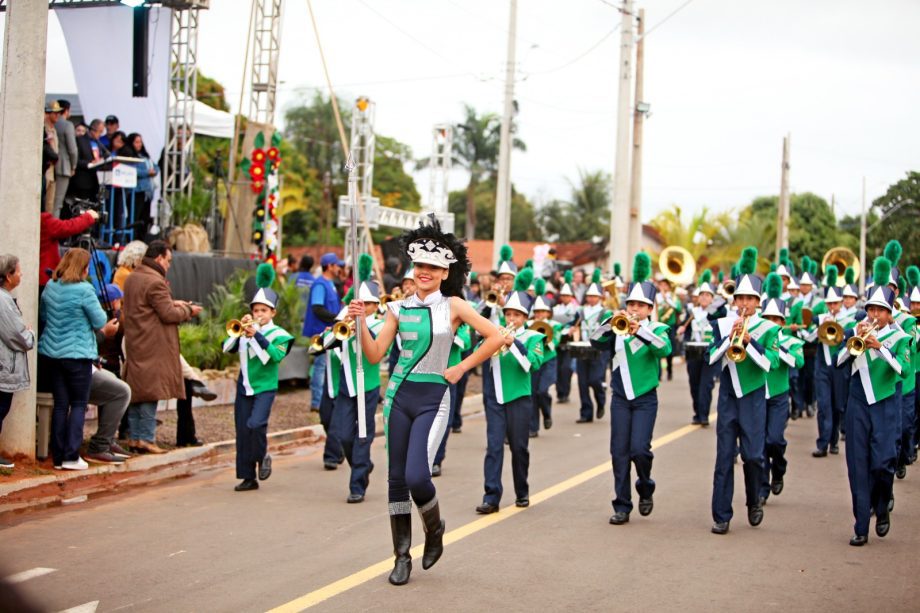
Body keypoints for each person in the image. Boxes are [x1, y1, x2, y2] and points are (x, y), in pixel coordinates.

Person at [347, 215, 503, 586]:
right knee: (396, 481)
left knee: (418, 475)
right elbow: (374, 355)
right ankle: (401, 556)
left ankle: (435, 529)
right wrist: (357, 325)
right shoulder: (396, 309)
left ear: (446, 271)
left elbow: (496, 337)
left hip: (434, 398)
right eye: (419, 265)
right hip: (399, 397)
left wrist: (461, 367)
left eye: (432, 266)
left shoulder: (454, 307)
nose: (424, 272)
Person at [591, 253, 671, 525]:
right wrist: (610, 321)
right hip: (621, 398)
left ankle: (645, 485)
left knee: (640, 450)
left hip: (646, 398)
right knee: (619, 452)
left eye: (641, 305)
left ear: (649, 308)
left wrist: (639, 331)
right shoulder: (616, 327)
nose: (634, 308)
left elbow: (665, 349)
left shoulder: (658, 329)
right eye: (631, 303)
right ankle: (622, 505)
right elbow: (594, 340)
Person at [836, 256, 910, 546]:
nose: (875, 315)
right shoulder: (857, 332)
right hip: (858, 402)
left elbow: (903, 370)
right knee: (857, 463)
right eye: (871, 310)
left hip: (885, 403)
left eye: (881, 310)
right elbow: (841, 361)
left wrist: (879, 348)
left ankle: (882, 508)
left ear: (890, 314)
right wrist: (857, 347)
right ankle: (860, 526)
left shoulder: (900, 337)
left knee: (883, 463)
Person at [708, 247, 780, 535]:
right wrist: (729, 337)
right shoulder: (722, 324)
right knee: (724, 456)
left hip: (752, 397)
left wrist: (749, 341)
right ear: (734, 300)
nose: (745, 304)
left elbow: (770, 364)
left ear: (758, 302)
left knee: (752, 456)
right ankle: (721, 514)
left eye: (750, 299)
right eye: (741, 298)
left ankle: (753, 500)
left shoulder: (769, 329)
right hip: (727, 397)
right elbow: (711, 358)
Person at [122, 241, 202, 454]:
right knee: (150, 391)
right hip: (153, 344)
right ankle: (147, 439)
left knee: (137, 390)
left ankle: (135, 438)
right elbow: (168, 315)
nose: (169, 265)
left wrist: (173, 302)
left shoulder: (133, 277)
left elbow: (149, 307)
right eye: (168, 260)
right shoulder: (155, 282)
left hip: (136, 341)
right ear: (159, 259)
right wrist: (188, 311)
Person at [476, 268, 544, 514]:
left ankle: (522, 490)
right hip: (494, 397)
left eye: (517, 314)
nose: (512, 318)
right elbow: (478, 349)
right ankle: (491, 496)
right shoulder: (495, 332)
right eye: (509, 314)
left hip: (519, 398)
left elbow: (531, 366)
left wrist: (513, 343)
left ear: (525, 316)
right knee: (493, 447)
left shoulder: (534, 337)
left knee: (519, 447)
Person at [39, 249, 113, 470]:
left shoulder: (51, 287)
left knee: (61, 405)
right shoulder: (84, 290)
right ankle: (72, 456)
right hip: (78, 355)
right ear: (83, 267)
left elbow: (43, 315)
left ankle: (59, 458)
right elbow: (100, 319)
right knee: (79, 404)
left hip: (53, 354)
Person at [222, 264, 293, 491]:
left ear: (273, 313)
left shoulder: (280, 335)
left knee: (256, 424)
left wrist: (257, 336)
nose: (259, 315)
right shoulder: (247, 329)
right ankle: (247, 477)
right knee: (243, 431)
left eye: (264, 310)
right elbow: (227, 348)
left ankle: (262, 457)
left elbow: (272, 357)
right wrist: (241, 332)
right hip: (244, 387)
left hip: (265, 387)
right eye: (256, 310)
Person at [330, 255, 383, 502]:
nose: (363, 307)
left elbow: (375, 349)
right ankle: (362, 465)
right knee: (342, 435)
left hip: (367, 386)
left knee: (363, 435)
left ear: (374, 306)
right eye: (359, 303)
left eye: (368, 304)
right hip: (346, 385)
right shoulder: (345, 319)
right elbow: (328, 343)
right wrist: (344, 323)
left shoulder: (381, 324)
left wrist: (360, 322)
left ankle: (357, 485)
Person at [758, 273, 804, 504]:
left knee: (774, 440)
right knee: (760, 443)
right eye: (768, 319)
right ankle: (762, 488)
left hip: (778, 396)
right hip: (758, 394)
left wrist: (777, 349)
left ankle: (779, 468)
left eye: (777, 320)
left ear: (783, 323)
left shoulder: (792, 341)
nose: (772, 324)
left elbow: (799, 362)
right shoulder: (758, 338)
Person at [803, 269, 853, 457]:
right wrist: (820, 328)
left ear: (840, 303)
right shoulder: (821, 318)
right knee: (824, 405)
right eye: (829, 303)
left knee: (838, 404)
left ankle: (833, 441)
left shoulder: (848, 319)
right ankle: (822, 443)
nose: (833, 306)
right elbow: (807, 339)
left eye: (835, 303)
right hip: (822, 366)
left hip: (840, 366)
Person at [83, 283, 132, 464]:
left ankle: (108, 439)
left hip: (98, 365)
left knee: (113, 395)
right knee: (121, 392)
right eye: (119, 300)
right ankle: (102, 442)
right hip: (103, 365)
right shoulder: (111, 320)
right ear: (114, 302)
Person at [0, 255, 35, 469]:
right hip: (4, 365)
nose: (21, 275)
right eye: (18, 271)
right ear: (8, 276)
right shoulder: (3, 300)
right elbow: (16, 335)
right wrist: (29, 335)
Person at [677, 271, 722, 426]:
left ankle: (704, 415)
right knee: (694, 383)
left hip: (710, 352)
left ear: (712, 298)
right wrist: (682, 330)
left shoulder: (717, 312)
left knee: (706, 384)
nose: (704, 297)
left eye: (708, 295)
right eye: (701, 295)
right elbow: (684, 328)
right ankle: (697, 412)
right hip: (693, 351)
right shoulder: (692, 312)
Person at [303, 252, 344, 413]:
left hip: (330, 331)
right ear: (329, 266)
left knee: (325, 366)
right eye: (336, 265)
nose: (338, 268)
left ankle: (323, 400)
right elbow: (317, 308)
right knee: (320, 367)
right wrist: (336, 318)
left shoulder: (330, 283)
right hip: (320, 332)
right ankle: (317, 402)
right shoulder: (320, 284)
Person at [575, 270, 611, 423]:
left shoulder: (605, 312)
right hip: (583, 348)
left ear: (600, 297)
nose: (591, 299)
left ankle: (600, 400)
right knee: (582, 382)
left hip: (599, 349)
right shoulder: (581, 311)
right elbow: (574, 326)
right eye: (589, 296)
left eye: (594, 296)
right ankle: (586, 412)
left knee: (595, 380)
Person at [528, 279, 559, 437]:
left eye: (542, 312)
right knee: (532, 394)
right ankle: (533, 427)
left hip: (548, 362)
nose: (539, 315)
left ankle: (546, 413)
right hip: (535, 362)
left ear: (548, 313)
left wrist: (547, 337)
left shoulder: (554, 325)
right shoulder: (529, 325)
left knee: (541, 391)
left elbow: (556, 342)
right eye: (537, 312)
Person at [120, 133, 157, 240]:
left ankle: (141, 239)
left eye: (140, 142)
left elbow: (155, 167)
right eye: (136, 142)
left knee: (145, 217)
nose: (139, 144)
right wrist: (147, 172)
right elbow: (132, 171)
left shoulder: (145, 156)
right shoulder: (129, 155)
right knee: (135, 216)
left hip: (147, 192)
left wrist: (153, 171)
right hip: (136, 191)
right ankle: (131, 239)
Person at [552, 271, 579, 404]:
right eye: (563, 295)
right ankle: (559, 393)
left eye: (567, 295)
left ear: (571, 296)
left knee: (566, 368)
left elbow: (578, 323)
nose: (565, 297)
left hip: (569, 341)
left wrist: (574, 328)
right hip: (557, 341)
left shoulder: (576, 309)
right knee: (557, 368)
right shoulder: (556, 308)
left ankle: (566, 392)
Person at [69, 118, 105, 204]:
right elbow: (75, 160)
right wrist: (89, 164)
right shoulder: (80, 140)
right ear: (93, 129)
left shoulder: (98, 143)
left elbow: (104, 155)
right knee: (82, 205)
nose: (100, 134)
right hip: (83, 180)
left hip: (95, 180)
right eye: (99, 131)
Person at [53, 100, 78, 218]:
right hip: (63, 166)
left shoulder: (52, 123)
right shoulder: (67, 125)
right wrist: (73, 166)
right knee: (57, 203)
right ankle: (53, 232)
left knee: (48, 200)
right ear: (66, 110)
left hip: (49, 166)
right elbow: (72, 149)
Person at [656, 276, 681, 381]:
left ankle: (669, 370)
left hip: (670, 325)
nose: (663, 287)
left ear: (669, 286)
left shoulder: (673, 297)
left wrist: (667, 299)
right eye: (661, 285)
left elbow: (678, 308)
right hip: (658, 325)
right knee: (657, 348)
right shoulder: (656, 297)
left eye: (665, 285)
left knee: (669, 349)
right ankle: (659, 374)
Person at [43, 101, 62, 213]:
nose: (57, 115)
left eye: (58, 113)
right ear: (48, 113)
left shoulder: (53, 129)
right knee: (44, 199)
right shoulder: (44, 128)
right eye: (55, 113)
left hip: (52, 169)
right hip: (46, 167)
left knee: (50, 203)